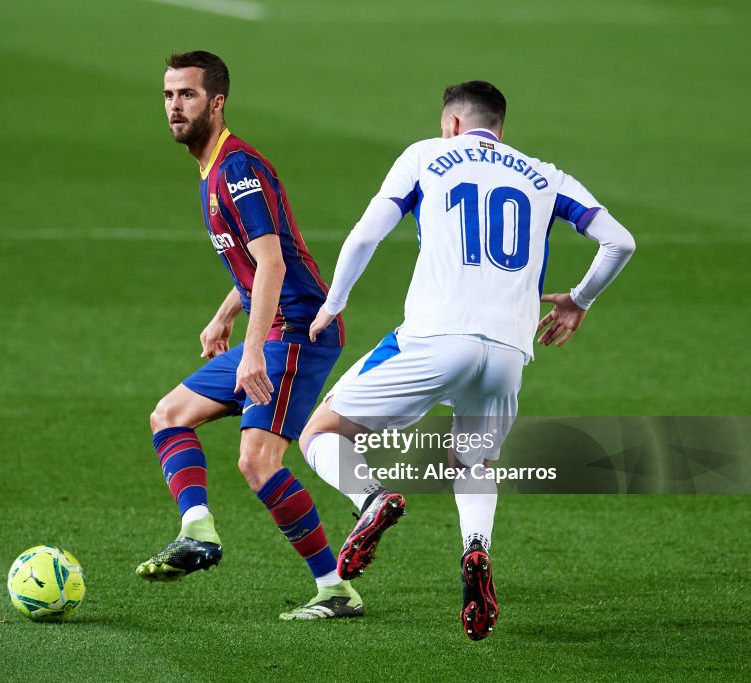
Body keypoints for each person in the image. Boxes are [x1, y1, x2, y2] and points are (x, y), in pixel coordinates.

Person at [297, 81, 636, 639]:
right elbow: (619, 241)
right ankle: (476, 551)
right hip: (508, 351)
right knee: (473, 464)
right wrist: (579, 300)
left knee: (321, 432)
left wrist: (333, 304)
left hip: (433, 339)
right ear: (500, 127)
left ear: (452, 123)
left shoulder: (426, 155)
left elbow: (365, 235)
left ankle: (372, 500)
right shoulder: (546, 175)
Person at [136, 50, 361, 620]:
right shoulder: (212, 167)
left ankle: (335, 590)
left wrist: (252, 351)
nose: (174, 107)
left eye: (186, 95)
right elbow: (259, 261)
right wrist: (224, 315)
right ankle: (198, 531)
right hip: (276, 325)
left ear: (216, 102)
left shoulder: (237, 168)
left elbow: (274, 265)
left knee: (258, 460)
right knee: (169, 415)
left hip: (300, 331)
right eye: (167, 95)